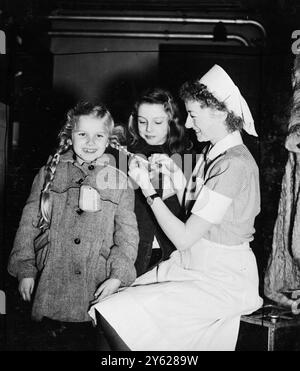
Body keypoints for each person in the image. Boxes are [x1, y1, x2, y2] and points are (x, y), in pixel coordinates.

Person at [88, 65, 263, 351]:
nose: (190, 124)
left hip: (221, 277)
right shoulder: (215, 155)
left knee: (117, 316)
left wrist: (148, 188)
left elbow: (183, 236)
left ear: (219, 112)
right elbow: (198, 209)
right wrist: (177, 175)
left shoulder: (234, 165)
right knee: (108, 306)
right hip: (195, 263)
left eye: (194, 115)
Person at [7, 101, 139, 349]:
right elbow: (28, 224)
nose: (90, 142)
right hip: (50, 284)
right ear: (70, 136)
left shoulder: (120, 181)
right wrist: (25, 269)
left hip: (94, 286)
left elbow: (128, 237)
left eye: (98, 135)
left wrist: (117, 276)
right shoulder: (49, 173)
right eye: (82, 134)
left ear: (109, 139)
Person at [126, 88, 192, 276]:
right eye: (142, 121)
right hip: (133, 254)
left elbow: (195, 214)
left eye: (157, 122)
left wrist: (177, 176)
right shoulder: (125, 155)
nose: (148, 129)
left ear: (172, 122)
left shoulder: (188, 158)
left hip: (174, 257)